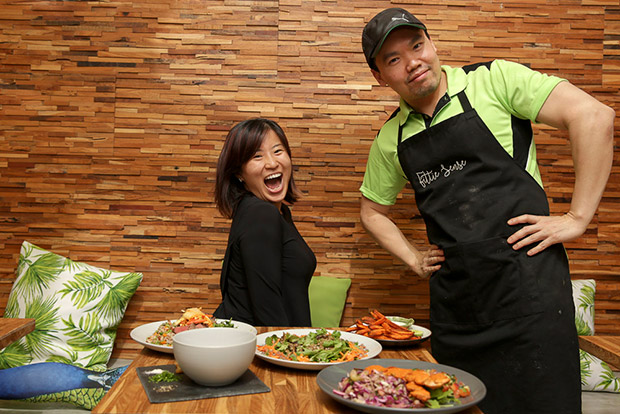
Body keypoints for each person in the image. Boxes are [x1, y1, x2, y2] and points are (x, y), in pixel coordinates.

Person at [359, 8, 614, 414]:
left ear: (432, 43)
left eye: (417, 45)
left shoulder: (494, 80)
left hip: (531, 299)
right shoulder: (393, 137)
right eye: (393, 59)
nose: (413, 62)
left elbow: (594, 116)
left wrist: (577, 218)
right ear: (380, 76)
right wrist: (413, 258)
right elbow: (372, 211)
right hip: (458, 312)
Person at [213, 118, 316, 326]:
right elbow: (267, 311)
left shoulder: (279, 212)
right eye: (257, 156)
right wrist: (291, 346)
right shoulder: (261, 214)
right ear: (239, 173)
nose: (271, 163)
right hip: (258, 342)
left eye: (278, 151)